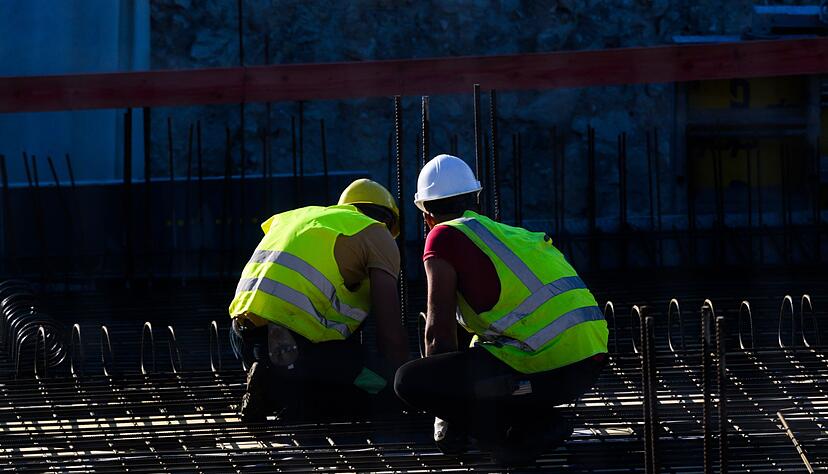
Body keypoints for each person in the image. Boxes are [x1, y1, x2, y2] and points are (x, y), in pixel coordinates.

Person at [394, 154, 608, 464]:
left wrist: (448, 411)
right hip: (588, 362)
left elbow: (437, 336)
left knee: (408, 381)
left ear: (426, 215)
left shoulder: (443, 235)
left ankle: (524, 426)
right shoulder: (511, 235)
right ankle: (533, 423)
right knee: (478, 351)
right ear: (476, 200)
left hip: (543, 367)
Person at [229, 178, 409, 422]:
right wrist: (401, 386)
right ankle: (283, 392)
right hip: (303, 347)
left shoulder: (300, 218)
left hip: (243, 338)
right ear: (388, 222)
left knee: (330, 365)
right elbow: (390, 335)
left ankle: (277, 380)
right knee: (373, 386)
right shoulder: (377, 233)